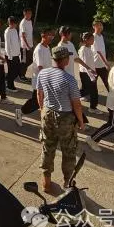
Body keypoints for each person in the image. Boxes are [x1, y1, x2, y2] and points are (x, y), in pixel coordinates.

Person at [37, 45, 85, 193]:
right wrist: (81, 121)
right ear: (64, 60)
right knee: (68, 150)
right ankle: (67, 183)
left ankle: (46, 182)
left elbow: (39, 94)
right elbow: (76, 104)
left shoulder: (43, 73)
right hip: (65, 117)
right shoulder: (69, 79)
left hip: (47, 113)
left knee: (47, 147)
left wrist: (42, 110)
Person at [16, 29, 54, 127]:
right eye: (49, 35)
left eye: (52, 36)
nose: (51, 37)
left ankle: (46, 118)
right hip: (40, 80)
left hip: (45, 79)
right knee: (36, 101)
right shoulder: (39, 49)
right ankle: (20, 112)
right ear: (43, 35)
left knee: (42, 100)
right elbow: (40, 67)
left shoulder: (47, 47)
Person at [78, 32, 100, 111]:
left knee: (86, 90)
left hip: (89, 73)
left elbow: (90, 62)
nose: (93, 41)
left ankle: (71, 98)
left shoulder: (88, 48)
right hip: (86, 73)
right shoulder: (84, 49)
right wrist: (91, 76)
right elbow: (85, 64)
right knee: (93, 91)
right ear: (85, 40)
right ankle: (93, 108)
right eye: (91, 39)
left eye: (93, 39)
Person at [91, 20, 110, 91]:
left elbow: (102, 51)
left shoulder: (101, 36)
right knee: (93, 83)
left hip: (102, 65)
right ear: (94, 26)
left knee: (108, 82)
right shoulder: (93, 37)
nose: (100, 26)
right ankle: (85, 94)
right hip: (95, 64)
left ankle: (113, 95)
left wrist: (105, 62)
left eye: (101, 25)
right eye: (98, 25)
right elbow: (98, 52)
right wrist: (106, 63)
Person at [4, 16, 21, 92]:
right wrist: (9, 56)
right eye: (15, 23)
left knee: (17, 71)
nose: (16, 25)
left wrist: (18, 51)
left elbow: (17, 41)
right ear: (10, 23)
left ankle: (6, 80)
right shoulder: (7, 31)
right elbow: (7, 45)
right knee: (12, 72)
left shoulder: (14, 30)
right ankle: (9, 86)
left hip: (16, 55)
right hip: (10, 56)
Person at [19, 8, 34, 83]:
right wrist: (27, 46)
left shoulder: (30, 21)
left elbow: (30, 33)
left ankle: (20, 70)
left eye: (31, 13)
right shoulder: (23, 23)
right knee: (24, 61)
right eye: (28, 13)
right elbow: (23, 36)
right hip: (24, 46)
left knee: (31, 60)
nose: (30, 15)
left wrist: (32, 43)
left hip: (30, 45)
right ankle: (22, 75)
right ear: (24, 14)